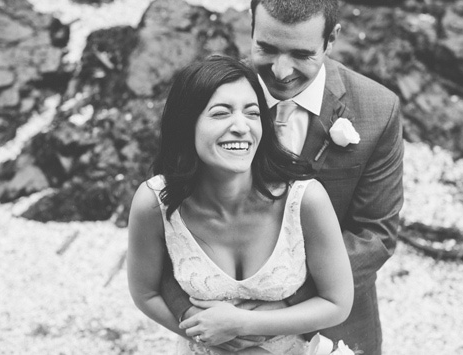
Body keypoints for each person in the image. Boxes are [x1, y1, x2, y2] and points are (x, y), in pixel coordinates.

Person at [161, 0, 404, 355]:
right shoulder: (210, 98)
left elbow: (375, 233)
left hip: (335, 325)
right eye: (267, 48)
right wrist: (195, 315)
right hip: (221, 332)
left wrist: (282, 302)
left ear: (331, 39)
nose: (281, 70)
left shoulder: (378, 110)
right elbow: (168, 216)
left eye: (301, 54)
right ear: (250, 27)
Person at [127, 55, 354, 354]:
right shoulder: (153, 202)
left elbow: (336, 303)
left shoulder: (305, 200)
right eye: (221, 113)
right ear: (186, 124)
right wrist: (198, 329)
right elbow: (146, 292)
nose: (241, 127)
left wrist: (243, 324)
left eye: (252, 112)